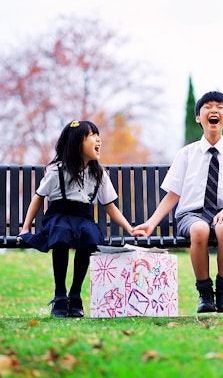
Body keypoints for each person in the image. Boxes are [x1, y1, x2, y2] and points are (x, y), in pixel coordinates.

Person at [134, 91, 223, 313]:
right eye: (208, 107)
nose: (214, 110)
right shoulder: (187, 154)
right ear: (198, 117)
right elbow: (173, 194)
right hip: (191, 215)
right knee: (199, 230)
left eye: (220, 107)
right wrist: (151, 222)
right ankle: (205, 295)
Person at [18, 120, 143, 318]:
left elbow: (110, 206)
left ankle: (75, 294)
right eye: (92, 135)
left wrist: (130, 228)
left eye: (98, 135)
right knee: (62, 233)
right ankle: (60, 295)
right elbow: (38, 198)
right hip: (58, 216)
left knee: (88, 235)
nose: (98, 139)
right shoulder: (56, 171)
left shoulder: (98, 174)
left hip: (83, 217)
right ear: (77, 143)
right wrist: (25, 229)